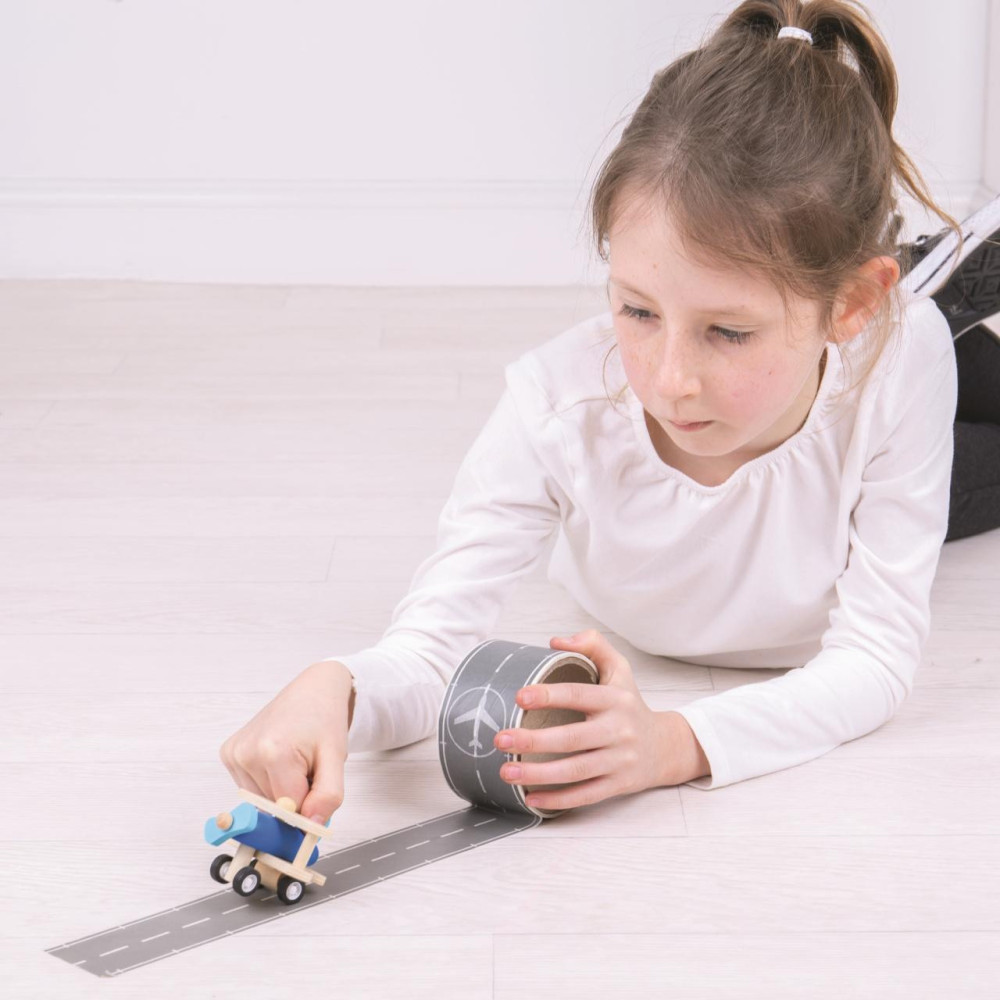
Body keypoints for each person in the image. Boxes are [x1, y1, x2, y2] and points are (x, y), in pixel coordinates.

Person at [219, 0, 1000, 825]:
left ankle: (934, 281)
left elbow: (875, 660)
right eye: (637, 310)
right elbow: (429, 650)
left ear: (852, 305)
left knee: (937, 353)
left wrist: (673, 743)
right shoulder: (556, 409)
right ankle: (920, 275)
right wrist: (337, 689)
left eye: (727, 331)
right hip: (835, 453)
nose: (669, 381)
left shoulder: (897, 358)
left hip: (873, 407)